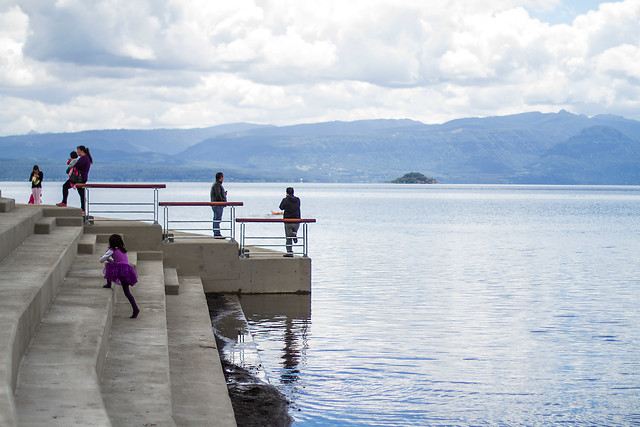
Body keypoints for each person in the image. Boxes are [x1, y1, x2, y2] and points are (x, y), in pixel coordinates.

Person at [100, 234, 140, 318]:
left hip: (121, 271)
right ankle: (135, 309)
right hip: (127, 270)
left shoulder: (111, 250)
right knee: (127, 291)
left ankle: (135, 309)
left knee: (108, 266)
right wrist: (111, 260)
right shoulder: (122, 250)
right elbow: (119, 261)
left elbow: (101, 260)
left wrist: (107, 258)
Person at [57, 145, 93, 213]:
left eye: (78, 150)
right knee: (79, 192)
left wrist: (73, 161)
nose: (77, 152)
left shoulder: (84, 158)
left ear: (81, 151)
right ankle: (82, 208)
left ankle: (82, 208)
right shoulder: (85, 158)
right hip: (80, 178)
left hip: (79, 178)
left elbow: (78, 165)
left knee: (79, 192)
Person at [279, 187, 301, 256]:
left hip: (288, 220)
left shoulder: (285, 200)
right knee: (293, 232)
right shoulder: (298, 200)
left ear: (287, 193)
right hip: (297, 220)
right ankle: (294, 234)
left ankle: (290, 252)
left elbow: (281, 207)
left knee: (288, 238)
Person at [210, 172, 227, 238]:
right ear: (220, 178)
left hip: (217, 204)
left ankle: (217, 233)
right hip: (217, 205)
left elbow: (218, 194)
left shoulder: (217, 185)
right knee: (217, 219)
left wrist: (223, 195)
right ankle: (217, 233)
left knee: (217, 219)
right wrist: (223, 201)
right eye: (222, 177)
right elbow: (218, 195)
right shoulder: (217, 185)